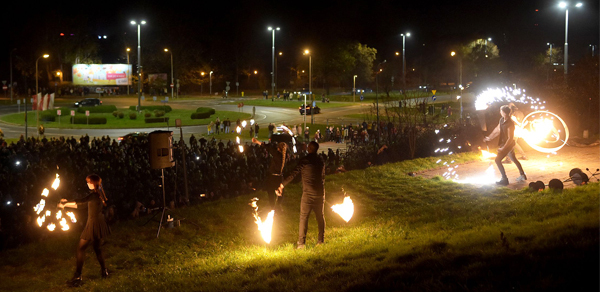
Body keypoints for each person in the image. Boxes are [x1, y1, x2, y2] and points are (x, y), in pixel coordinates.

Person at [58, 174, 111, 287]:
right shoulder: (100, 193)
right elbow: (81, 205)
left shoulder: (94, 195)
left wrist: (65, 203)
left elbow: (81, 201)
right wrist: (66, 204)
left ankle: (78, 276)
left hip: (93, 224)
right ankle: (104, 271)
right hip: (100, 223)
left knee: (80, 248)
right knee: (97, 248)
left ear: (93, 183)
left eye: (89, 182)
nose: (87, 184)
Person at [277, 141, 326, 249]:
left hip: (308, 195)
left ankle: (301, 243)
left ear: (309, 149)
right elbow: (323, 177)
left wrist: (282, 185)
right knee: (320, 217)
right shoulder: (321, 160)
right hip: (319, 193)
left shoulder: (305, 160)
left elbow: (294, 174)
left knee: (304, 218)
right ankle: (320, 240)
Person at [484, 105, 527, 186]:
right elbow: (497, 130)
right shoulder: (501, 120)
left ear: (503, 112)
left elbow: (510, 138)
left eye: (500, 111)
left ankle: (504, 179)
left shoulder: (510, 123)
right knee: (514, 159)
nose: (499, 112)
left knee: (497, 160)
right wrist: (489, 138)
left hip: (508, 144)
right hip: (505, 144)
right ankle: (522, 175)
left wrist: (503, 148)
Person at [252, 138, 287, 211]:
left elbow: (268, 148)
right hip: (280, 177)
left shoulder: (277, 154)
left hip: (273, 177)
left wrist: (257, 142)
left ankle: (273, 208)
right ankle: (279, 206)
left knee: (270, 192)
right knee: (280, 192)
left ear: (278, 148)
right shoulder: (284, 156)